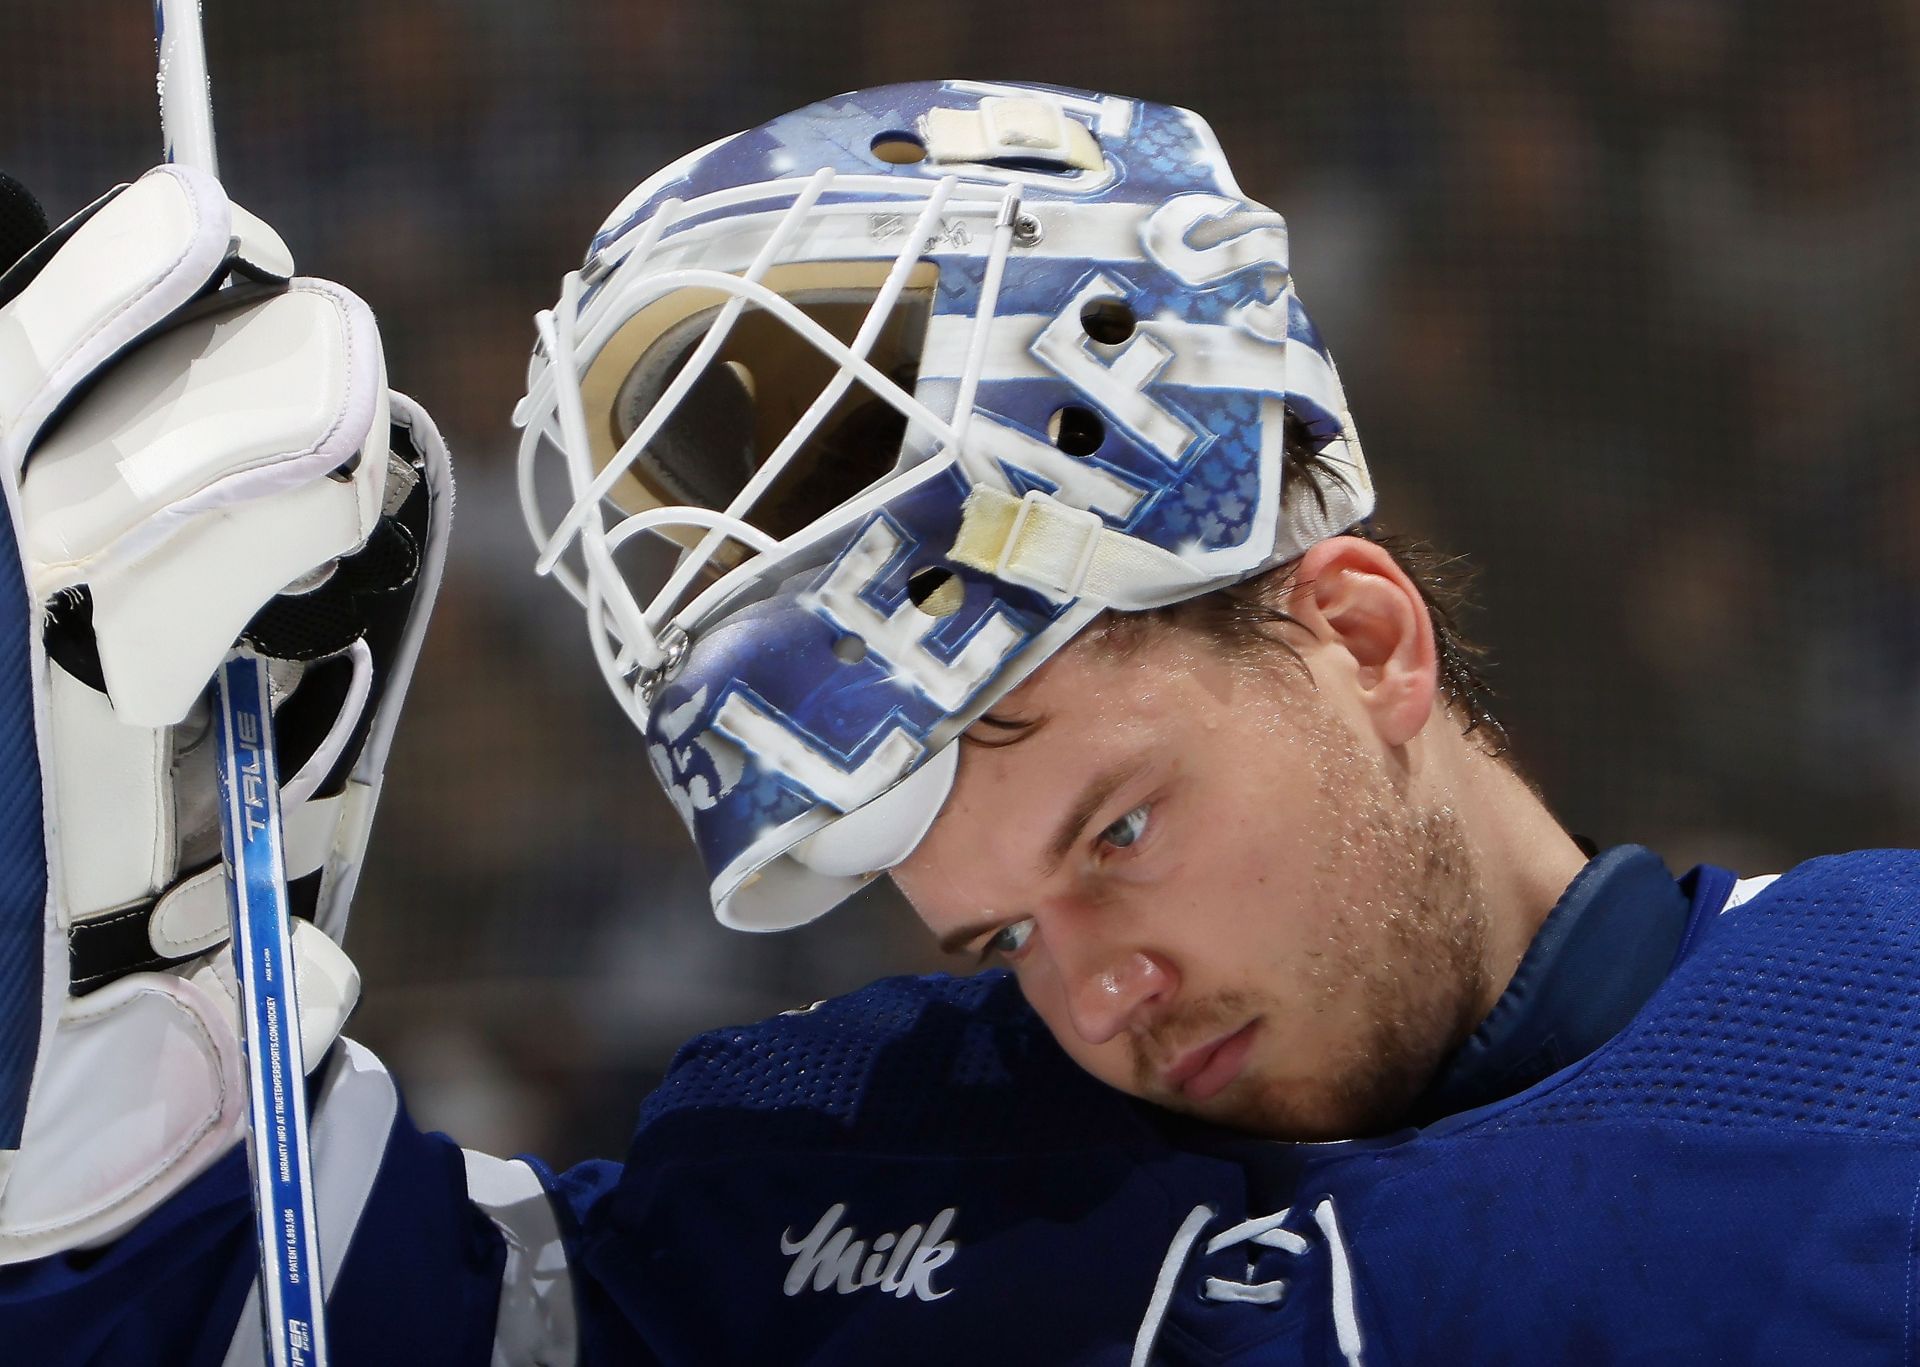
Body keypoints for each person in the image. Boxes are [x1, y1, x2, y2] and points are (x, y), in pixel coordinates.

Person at [2, 79, 1917, 1366]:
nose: (1094, 1001)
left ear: (1358, 632)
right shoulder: (840, 1163)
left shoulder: (1883, 1054)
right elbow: (262, 1307)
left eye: (1114, 837)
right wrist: (106, 970)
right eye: (994, 935)